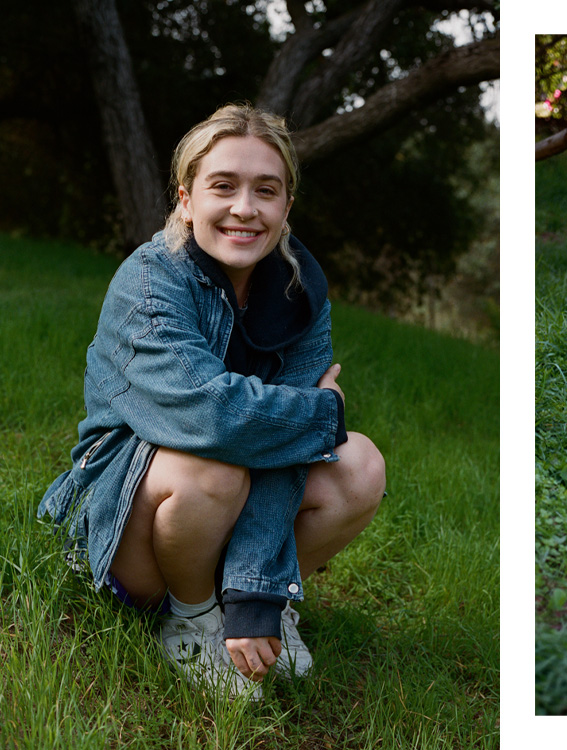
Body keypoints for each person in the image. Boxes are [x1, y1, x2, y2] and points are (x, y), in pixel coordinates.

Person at [38, 103, 386, 700]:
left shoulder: (302, 293)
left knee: (359, 464)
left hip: (227, 500)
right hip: (131, 517)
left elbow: (286, 445)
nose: (244, 208)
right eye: (222, 186)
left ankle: (250, 605)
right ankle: (192, 616)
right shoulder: (150, 281)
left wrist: (256, 594)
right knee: (219, 460)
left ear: (287, 206)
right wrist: (319, 412)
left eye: (266, 191)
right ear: (185, 198)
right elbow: (212, 417)